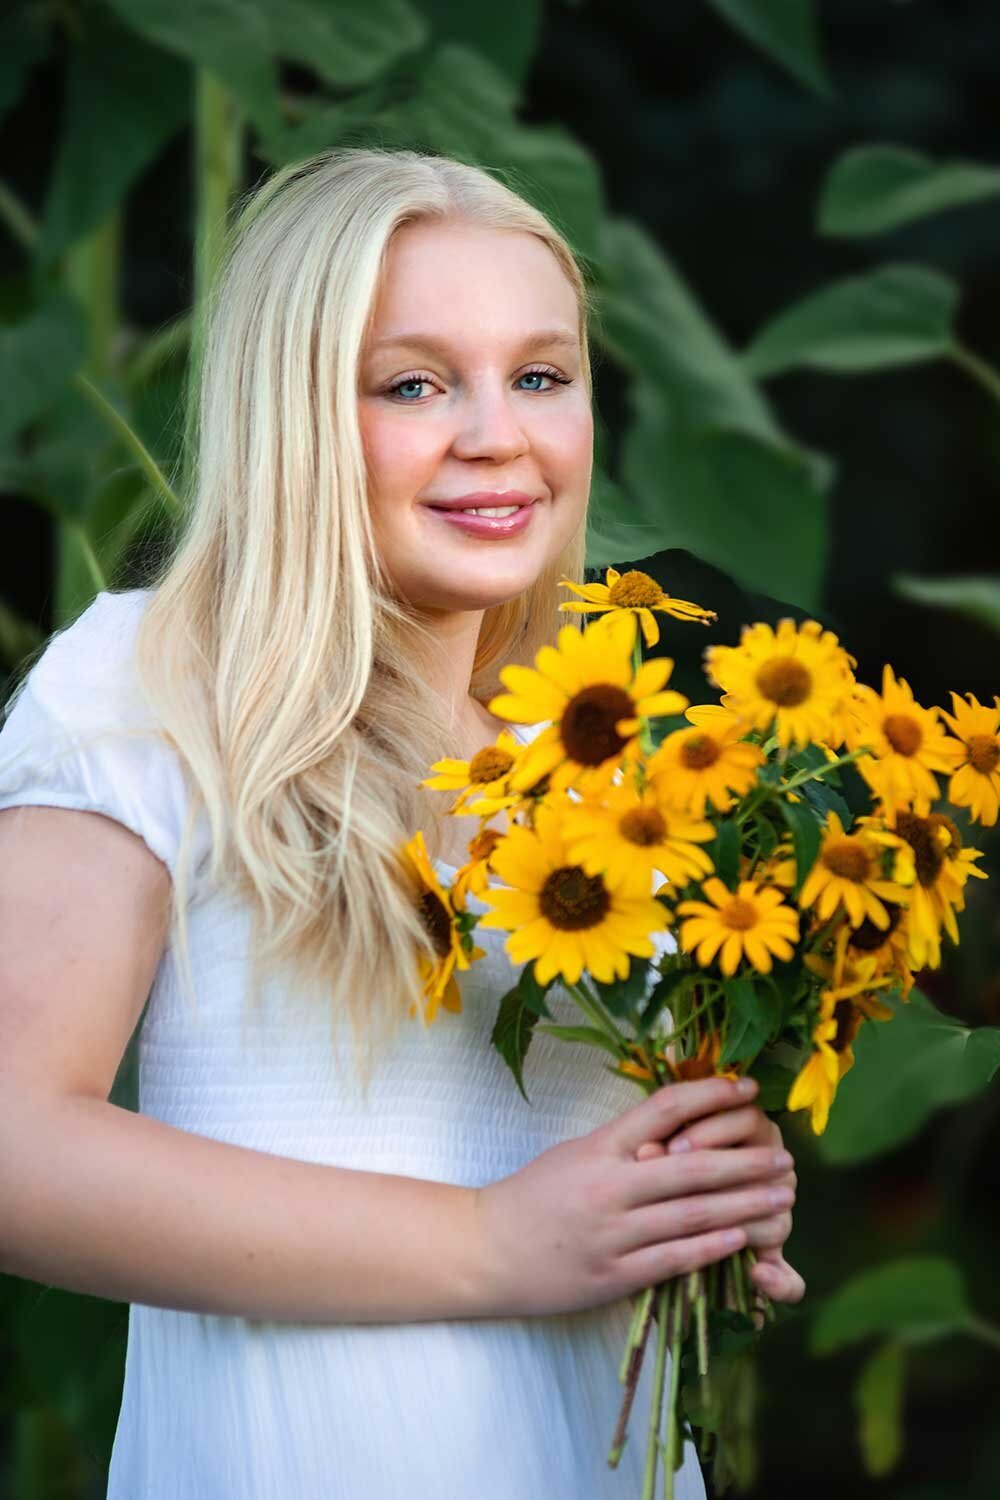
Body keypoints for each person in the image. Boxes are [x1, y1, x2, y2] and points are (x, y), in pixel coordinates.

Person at [0, 147, 803, 1499]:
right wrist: (495, 1241)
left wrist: (691, 1204)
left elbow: (560, 1181)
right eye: (414, 384)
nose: (498, 433)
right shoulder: (158, 686)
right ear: (293, 411)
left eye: (541, 376)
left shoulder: (595, 763)